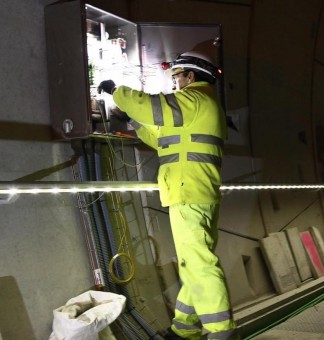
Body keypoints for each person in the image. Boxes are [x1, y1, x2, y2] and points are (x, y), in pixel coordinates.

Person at [98, 51, 239, 340]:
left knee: (199, 263)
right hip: (197, 192)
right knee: (193, 262)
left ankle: (222, 332)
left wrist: (117, 91)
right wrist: (133, 120)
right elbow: (160, 137)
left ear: (190, 76)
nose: (174, 83)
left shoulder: (195, 99)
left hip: (189, 193)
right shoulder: (203, 106)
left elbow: (154, 107)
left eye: (176, 77)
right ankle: (184, 329)